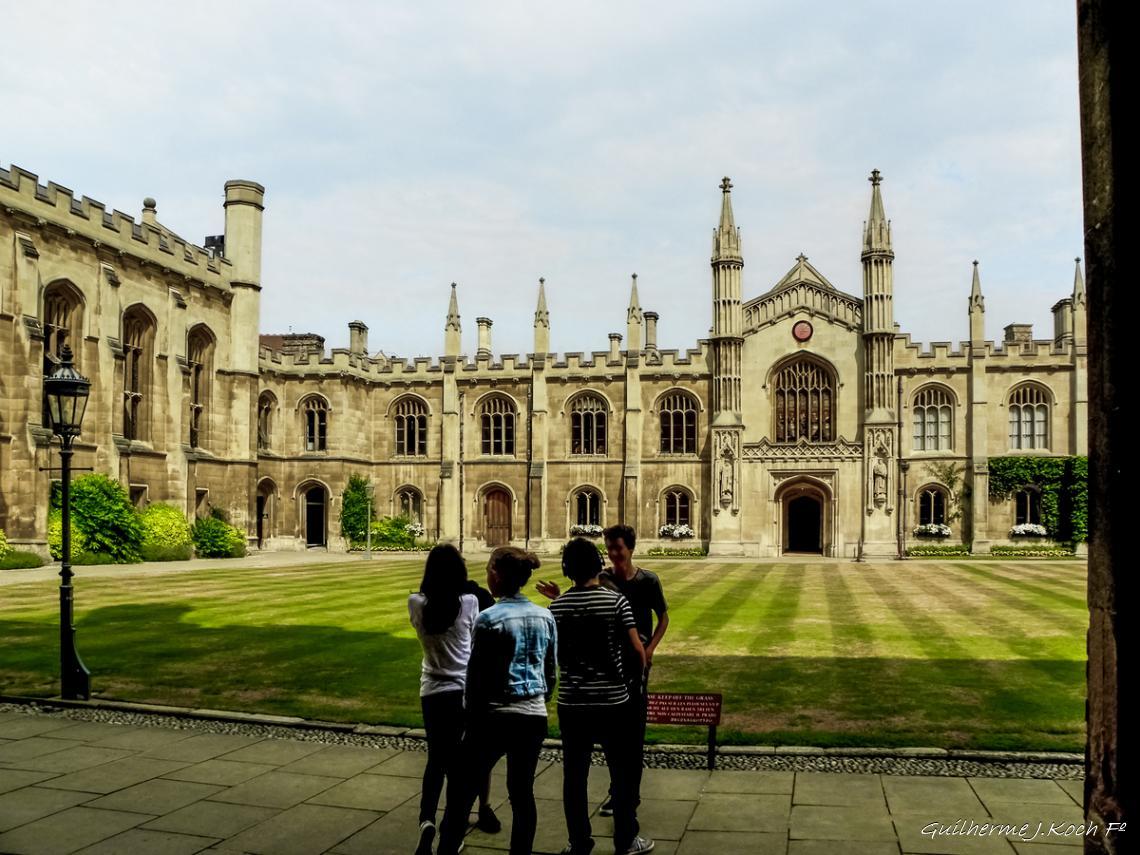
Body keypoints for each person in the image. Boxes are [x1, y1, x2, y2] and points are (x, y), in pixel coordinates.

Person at [537, 524, 669, 819]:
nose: (612, 553)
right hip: (614, 682)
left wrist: (647, 654)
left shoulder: (647, 581)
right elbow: (588, 610)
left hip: (607, 683)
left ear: (630, 548)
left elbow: (662, 619)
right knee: (619, 753)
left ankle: (621, 805)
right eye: (608, 548)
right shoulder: (608, 586)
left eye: (617, 547)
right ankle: (623, 815)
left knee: (620, 750)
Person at [436, 547, 557, 855]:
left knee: (462, 793)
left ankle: (446, 849)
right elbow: (550, 672)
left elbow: (476, 678)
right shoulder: (545, 615)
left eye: (490, 569)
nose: (487, 575)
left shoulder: (489, 618)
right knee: (522, 796)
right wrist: (539, 700)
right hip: (533, 716)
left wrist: (470, 721)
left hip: (494, 716)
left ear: (499, 575)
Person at [549, 537, 654, 855]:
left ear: (567, 568)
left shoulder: (557, 607)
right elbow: (638, 652)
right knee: (621, 775)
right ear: (597, 564)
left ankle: (579, 842)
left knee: (574, 777)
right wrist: (626, 676)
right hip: (612, 701)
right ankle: (625, 840)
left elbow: (555, 656)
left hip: (572, 702)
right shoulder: (615, 602)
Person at [407, 544, 497, 855]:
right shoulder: (470, 602)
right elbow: (475, 611)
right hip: (462, 691)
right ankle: (452, 829)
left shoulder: (415, 603)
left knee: (435, 760)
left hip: (431, 691)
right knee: (460, 767)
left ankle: (426, 819)